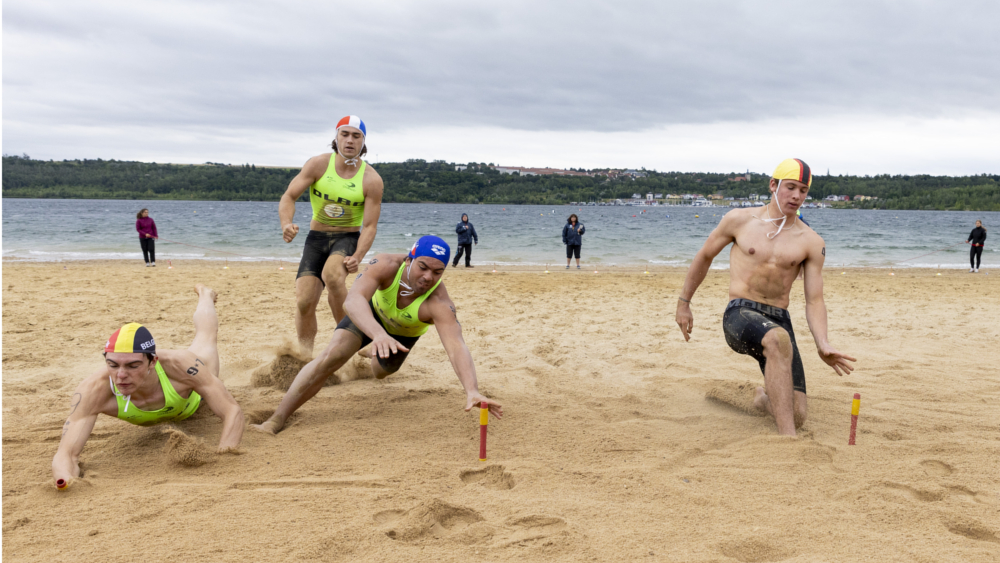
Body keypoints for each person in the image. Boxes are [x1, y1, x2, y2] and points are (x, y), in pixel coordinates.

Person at [674, 158, 855, 436]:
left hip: (778, 319)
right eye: (790, 187)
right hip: (740, 313)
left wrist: (823, 343)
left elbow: (814, 300)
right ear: (773, 185)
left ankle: (762, 399)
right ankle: (788, 440)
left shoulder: (811, 242)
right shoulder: (739, 220)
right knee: (778, 339)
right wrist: (684, 303)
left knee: (798, 414)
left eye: (803, 190)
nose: (796, 196)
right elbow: (705, 256)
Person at [251, 236, 502, 435]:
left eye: (437, 272)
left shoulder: (439, 303)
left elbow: (456, 346)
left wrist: (472, 390)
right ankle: (276, 420)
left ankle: (372, 349)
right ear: (409, 260)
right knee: (331, 357)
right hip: (369, 316)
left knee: (380, 372)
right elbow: (353, 300)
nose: (428, 277)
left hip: (402, 335)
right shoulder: (386, 265)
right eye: (423, 267)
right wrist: (378, 334)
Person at [52, 285, 244, 489]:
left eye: (133, 366)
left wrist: (226, 456)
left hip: (193, 400)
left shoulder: (182, 366)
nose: (121, 375)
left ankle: (206, 295)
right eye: (113, 365)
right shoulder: (93, 389)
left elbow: (232, 411)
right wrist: (64, 481)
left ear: (153, 362)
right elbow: (66, 454)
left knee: (205, 337)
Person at [279, 116, 385, 354]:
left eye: (356, 136)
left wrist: (358, 255)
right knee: (304, 301)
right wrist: (286, 223)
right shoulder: (317, 165)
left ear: (363, 142)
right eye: (344, 134)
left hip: (347, 238)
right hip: (316, 238)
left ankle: (350, 341)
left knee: (333, 277)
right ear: (336, 138)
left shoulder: (371, 179)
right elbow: (289, 196)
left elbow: (369, 226)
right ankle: (305, 354)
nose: (349, 140)